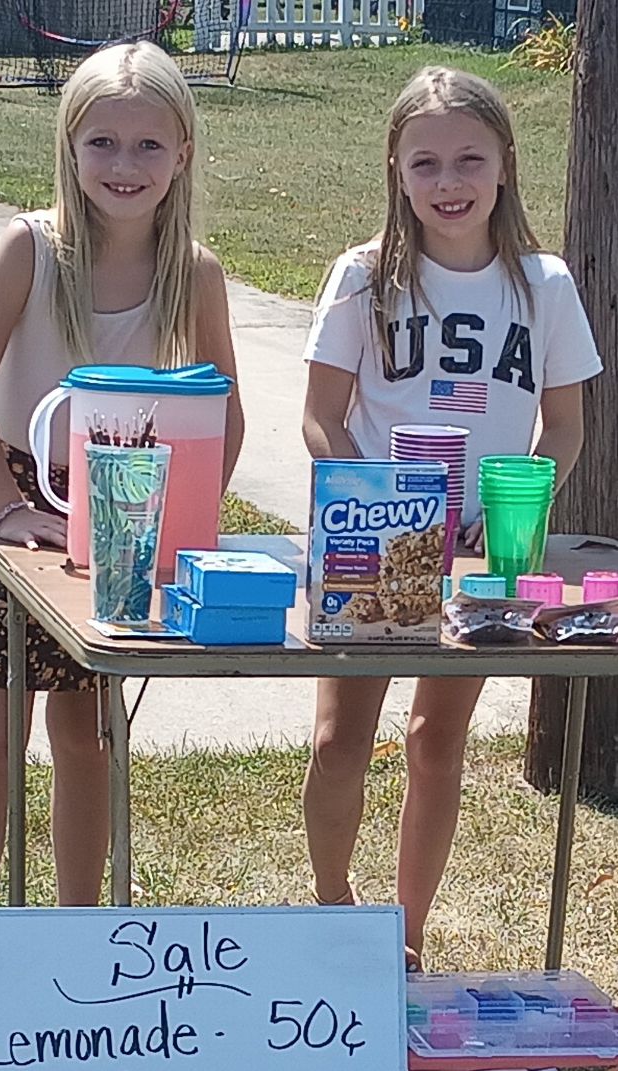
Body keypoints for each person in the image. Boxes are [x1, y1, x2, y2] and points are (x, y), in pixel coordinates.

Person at [301, 65, 601, 969]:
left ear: (506, 165)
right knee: (340, 735)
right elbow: (320, 417)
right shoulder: (364, 275)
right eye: (425, 161)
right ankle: (334, 910)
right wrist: (383, 506)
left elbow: (566, 426)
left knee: (439, 737)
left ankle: (407, 930)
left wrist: (514, 503)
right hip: (374, 542)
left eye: (469, 159)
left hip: (480, 557)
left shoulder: (543, 284)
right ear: (395, 168)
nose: (448, 182)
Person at [0, 41, 244, 907]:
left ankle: (84, 932)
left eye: (149, 145)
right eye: (102, 142)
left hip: (126, 509)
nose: (124, 164)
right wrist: (4, 507)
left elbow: (226, 411)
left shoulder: (195, 272)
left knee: (87, 738)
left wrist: (184, 519)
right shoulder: (29, 250)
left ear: (183, 152)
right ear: (69, 143)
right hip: (15, 503)